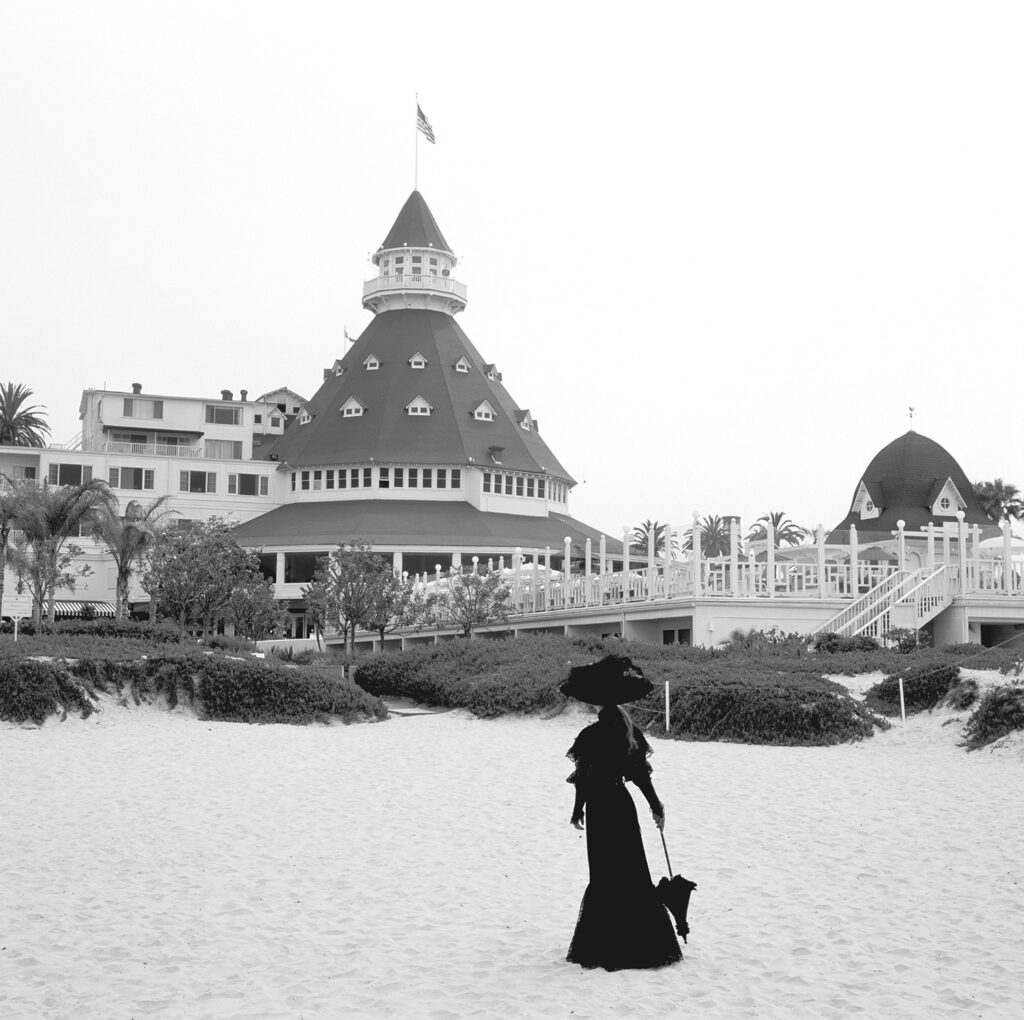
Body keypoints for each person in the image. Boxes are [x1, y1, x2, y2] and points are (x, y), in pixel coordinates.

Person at [564, 677, 682, 971]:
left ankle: (603, 947)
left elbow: (584, 779)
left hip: (600, 809)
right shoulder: (629, 732)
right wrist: (657, 807)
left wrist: (578, 810)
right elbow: (641, 776)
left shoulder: (589, 736)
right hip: (621, 804)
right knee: (632, 871)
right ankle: (645, 945)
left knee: (604, 875)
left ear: (597, 705)